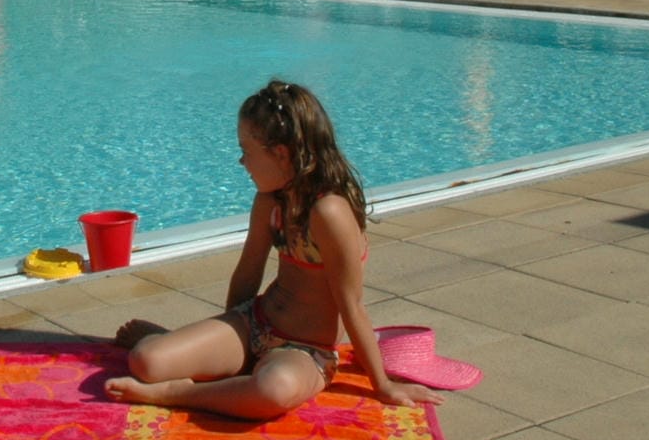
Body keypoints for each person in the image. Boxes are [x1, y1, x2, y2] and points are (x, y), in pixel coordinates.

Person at [104, 80, 437, 419]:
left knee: (271, 391)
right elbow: (249, 271)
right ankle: (185, 351)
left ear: (281, 154)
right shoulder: (270, 202)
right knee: (146, 361)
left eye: (246, 151)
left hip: (306, 350)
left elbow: (351, 305)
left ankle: (179, 393)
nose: (241, 162)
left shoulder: (329, 213)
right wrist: (227, 333)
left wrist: (381, 384)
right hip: (257, 324)